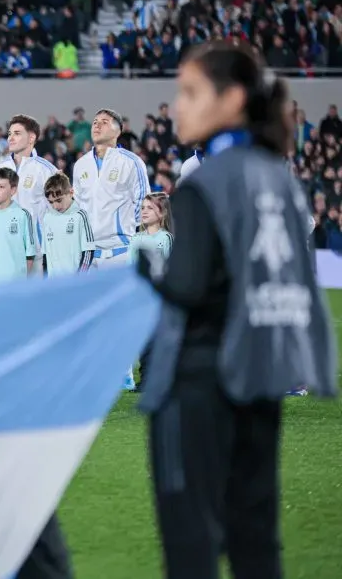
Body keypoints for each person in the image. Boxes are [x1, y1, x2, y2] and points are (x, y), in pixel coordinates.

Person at [136, 42, 337, 579]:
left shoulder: (207, 181)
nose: (178, 106)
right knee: (256, 544)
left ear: (233, 99)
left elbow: (186, 286)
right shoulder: (280, 177)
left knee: (192, 547)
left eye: (190, 92)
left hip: (198, 384)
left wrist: (143, 275)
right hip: (261, 378)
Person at [71, 108, 149, 268]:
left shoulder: (131, 162)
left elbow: (143, 203)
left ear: (117, 131)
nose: (97, 126)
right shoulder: (80, 165)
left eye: (104, 122)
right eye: (94, 123)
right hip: (89, 254)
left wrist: (127, 232)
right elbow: (77, 207)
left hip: (121, 251)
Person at [0, 115, 57, 257]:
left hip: (36, 252)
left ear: (31, 138)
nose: (10, 138)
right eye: (9, 134)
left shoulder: (46, 170)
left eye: (17, 133)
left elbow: (57, 212)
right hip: (4, 250)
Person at [129, 192, 173, 391]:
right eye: (143, 208)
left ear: (162, 213)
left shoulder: (165, 238)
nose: (144, 211)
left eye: (150, 208)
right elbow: (132, 268)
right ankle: (145, 378)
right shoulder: (136, 239)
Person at [0, 168, 36, 283]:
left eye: (1, 187)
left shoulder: (23, 215)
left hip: (14, 285)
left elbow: (30, 255)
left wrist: (22, 281)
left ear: (13, 190)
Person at [40, 173, 95, 277]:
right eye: (51, 202)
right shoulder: (47, 218)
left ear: (71, 192)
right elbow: (45, 256)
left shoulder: (80, 216)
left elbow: (88, 251)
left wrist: (79, 278)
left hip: (74, 281)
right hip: (53, 283)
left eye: (59, 200)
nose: (55, 206)